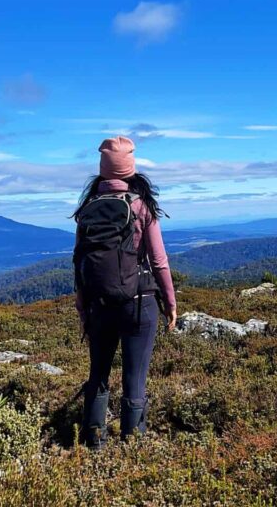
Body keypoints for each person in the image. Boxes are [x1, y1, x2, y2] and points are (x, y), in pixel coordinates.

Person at [73, 136, 177, 448]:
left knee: (99, 375)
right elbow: (158, 261)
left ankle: (93, 443)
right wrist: (170, 303)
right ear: (130, 168)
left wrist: (83, 309)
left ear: (103, 169)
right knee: (134, 379)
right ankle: (133, 448)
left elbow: (79, 262)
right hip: (138, 305)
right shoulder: (141, 205)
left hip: (99, 305)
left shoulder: (88, 208)